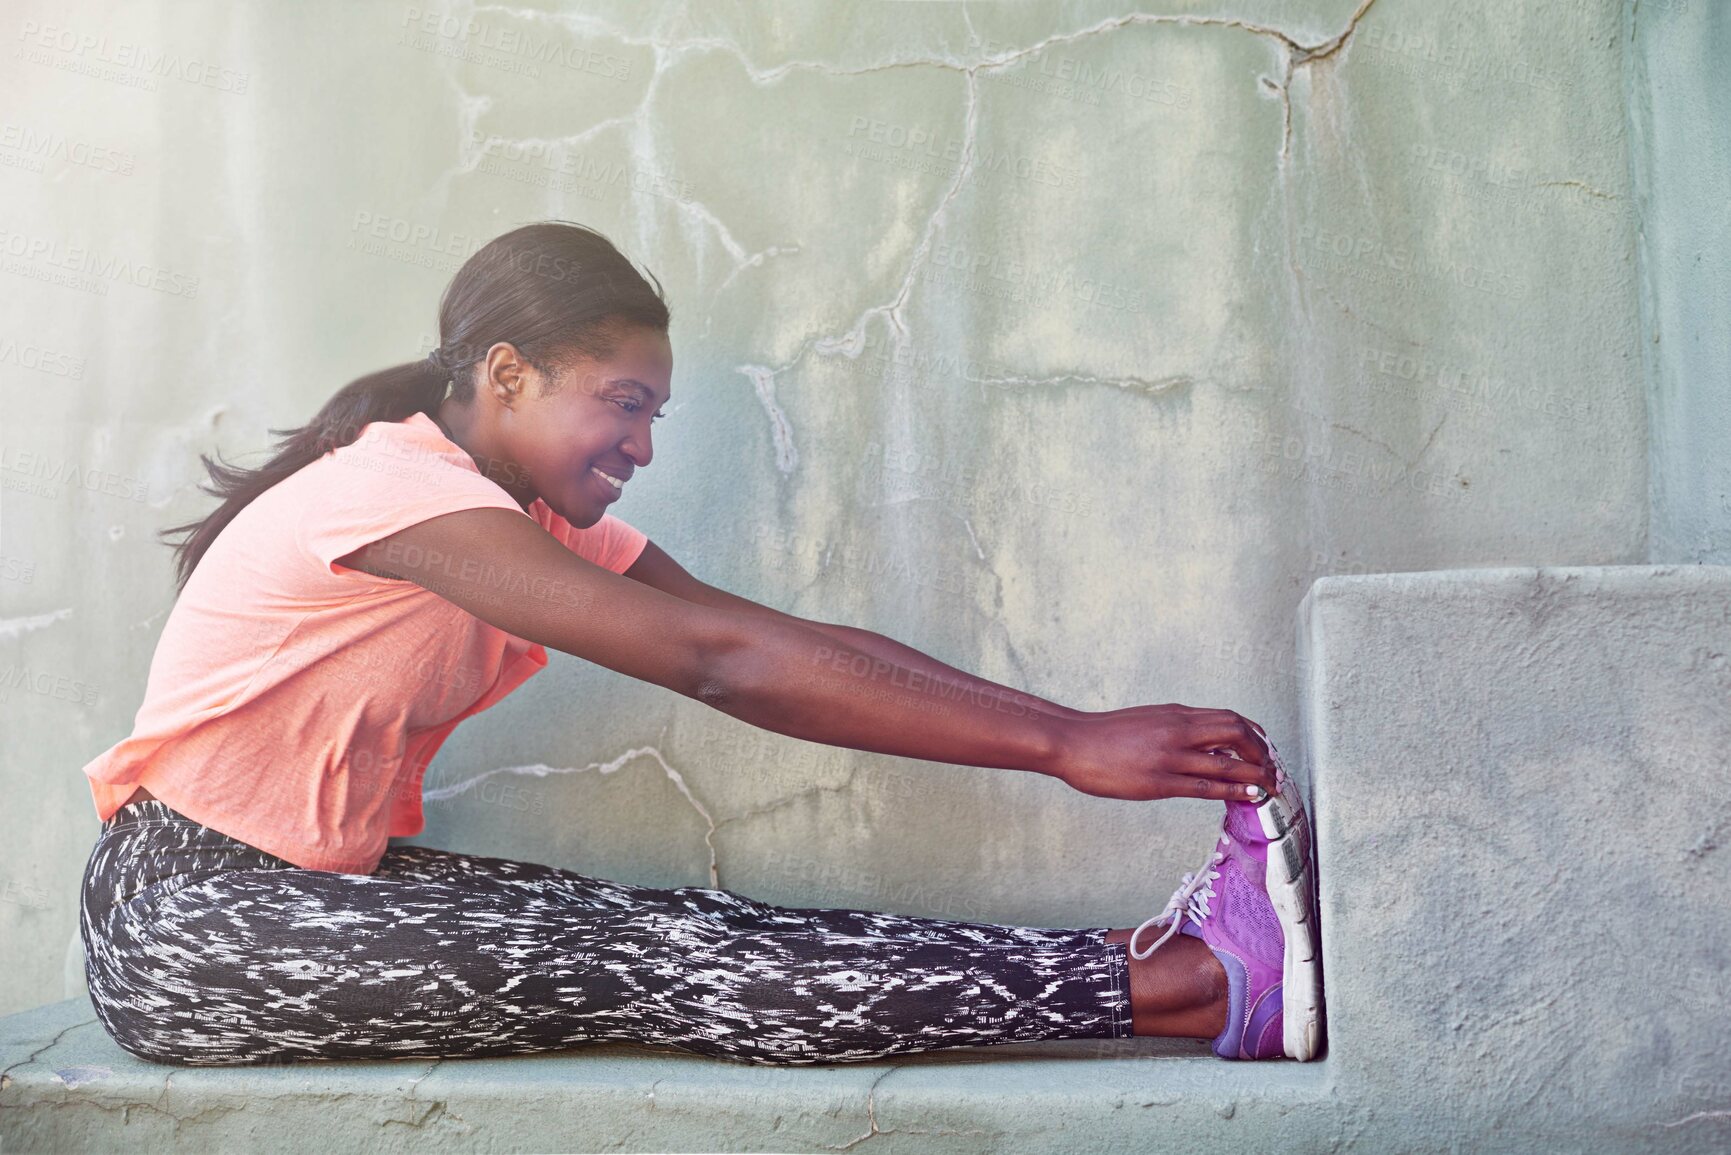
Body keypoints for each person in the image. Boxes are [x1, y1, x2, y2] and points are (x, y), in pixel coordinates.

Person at [78, 220, 1322, 1069]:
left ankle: (1174, 958)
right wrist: (1064, 746)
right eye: (622, 404)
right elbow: (714, 663)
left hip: (304, 891)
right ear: (508, 374)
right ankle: (1195, 992)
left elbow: (768, 640)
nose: (643, 448)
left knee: (679, 924)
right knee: (661, 963)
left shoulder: (507, 514)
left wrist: (1068, 729)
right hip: (190, 922)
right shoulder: (400, 498)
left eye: (654, 413)